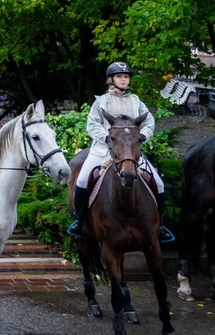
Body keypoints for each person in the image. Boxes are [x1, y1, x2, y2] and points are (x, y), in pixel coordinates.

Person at [69, 61, 172, 241]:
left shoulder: (136, 101)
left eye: (126, 76)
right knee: (83, 180)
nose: (123, 79)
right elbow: (92, 124)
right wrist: (107, 138)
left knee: (159, 183)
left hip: (130, 153)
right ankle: (80, 221)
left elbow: (149, 122)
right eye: (119, 76)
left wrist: (143, 136)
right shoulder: (101, 101)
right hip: (102, 150)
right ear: (111, 79)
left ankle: (160, 224)